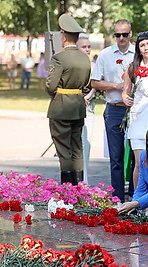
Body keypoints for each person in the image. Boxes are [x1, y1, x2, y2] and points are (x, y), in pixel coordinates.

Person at [91, 19, 135, 202]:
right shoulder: (105, 54)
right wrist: (116, 86)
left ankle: (135, 196)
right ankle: (117, 198)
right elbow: (94, 82)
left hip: (134, 109)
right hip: (114, 108)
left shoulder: (138, 53)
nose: (122, 38)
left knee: (136, 154)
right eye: (118, 35)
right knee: (116, 157)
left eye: (125, 34)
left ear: (131, 34)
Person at [46, 14, 91, 185]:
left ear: (64, 37)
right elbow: (86, 85)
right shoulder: (84, 57)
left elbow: (50, 86)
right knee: (77, 148)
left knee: (64, 149)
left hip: (61, 107)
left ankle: (67, 189)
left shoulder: (59, 57)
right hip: (78, 106)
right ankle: (78, 187)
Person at [122, 31, 148, 190]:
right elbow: (125, 91)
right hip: (138, 118)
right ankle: (138, 200)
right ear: (138, 48)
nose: (146, 48)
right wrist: (125, 97)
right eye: (142, 45)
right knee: (140, 161)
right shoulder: (133, 67)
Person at [77, 33, 97, 184]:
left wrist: (88, 97)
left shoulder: (94, 66)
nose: (87, 49)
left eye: (89, 46)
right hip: (74, 108)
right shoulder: (73, 65)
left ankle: (84, 181)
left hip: (88, 108)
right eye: (84, 47)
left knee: (86, 144)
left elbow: (96, 84)